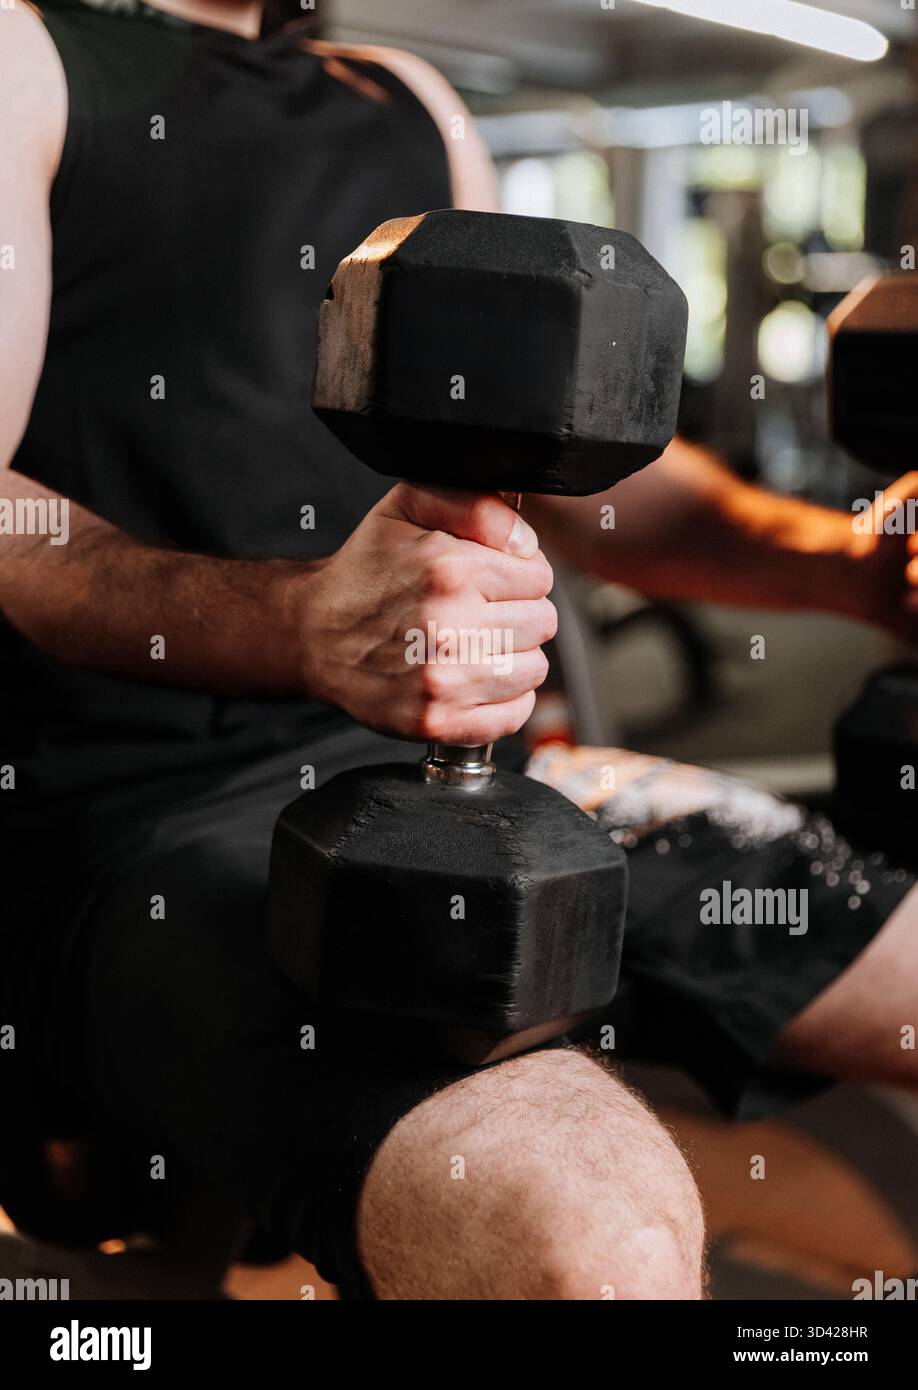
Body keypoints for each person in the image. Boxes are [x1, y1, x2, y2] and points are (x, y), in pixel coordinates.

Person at [0, 0, 914, 1300]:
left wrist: (846, 569)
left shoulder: (406, 101)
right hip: (137, 810)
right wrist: (306, 622)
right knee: (591, 1242)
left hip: (460, 779)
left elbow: (571, 457)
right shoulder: (25, 59)